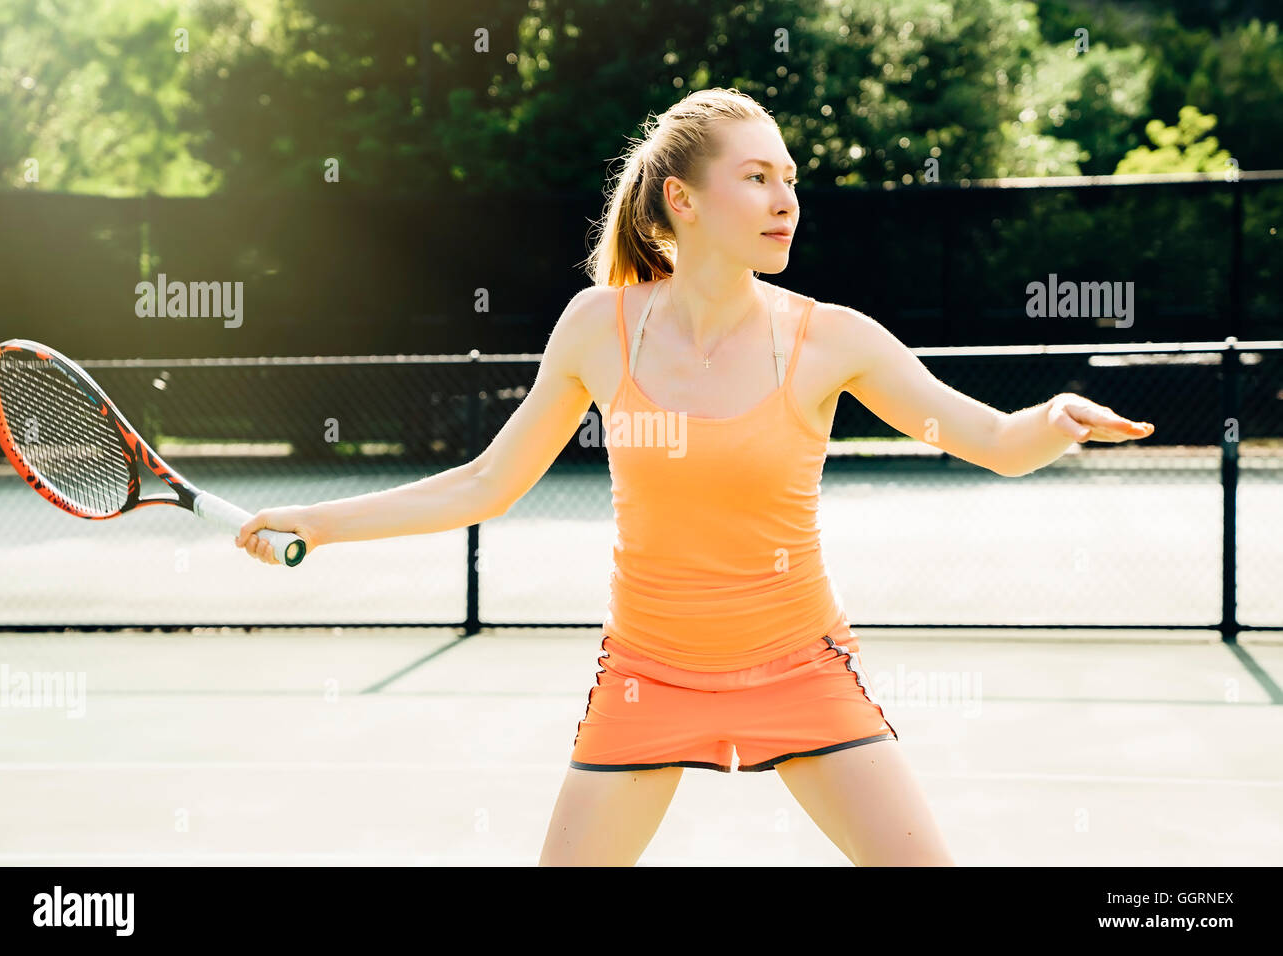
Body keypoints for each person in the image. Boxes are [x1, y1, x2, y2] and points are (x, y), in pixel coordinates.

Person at [235, 87, 1154, 866]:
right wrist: (317, 520)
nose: (784, 198)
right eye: (756, 177)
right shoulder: (599, 327)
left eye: (790, 179)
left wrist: (1055, 421)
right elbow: (484, 485)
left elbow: (992, 440)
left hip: (802, 669)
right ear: (680, 198)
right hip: (648, 678)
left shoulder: (830, 337)